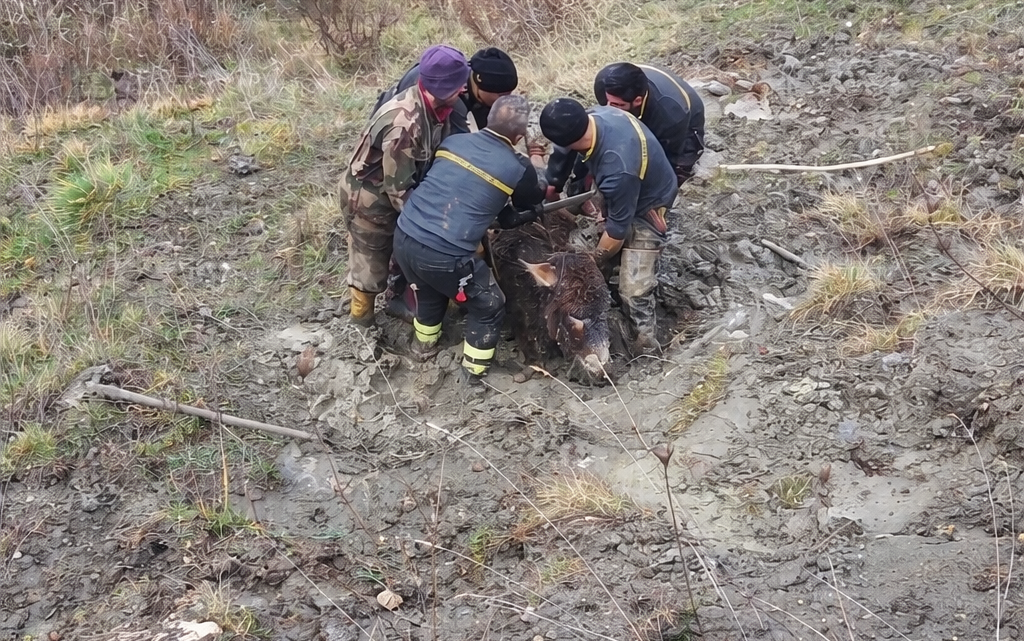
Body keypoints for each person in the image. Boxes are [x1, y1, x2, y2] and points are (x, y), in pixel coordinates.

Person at [393, 95, 545, 385]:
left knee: (427, 290)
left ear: (488, 120)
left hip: (404, 237)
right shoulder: (517, 167)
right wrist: (535, 158)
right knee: (488, 304)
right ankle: (474, 374)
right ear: (518, 135)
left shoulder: (453, 143)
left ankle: (423, 345)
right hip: (445, 256)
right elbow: (532, 197)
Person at [339, 44, 470, 327]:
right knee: (370, 262)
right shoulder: (405, 125)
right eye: (459, 85)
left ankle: (400, 294)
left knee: (403, 247)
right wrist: (431, 228)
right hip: (369, 201)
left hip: (398, 187)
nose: (464, 91)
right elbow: (398, 190)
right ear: (442, 87)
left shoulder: (437, 108)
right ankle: (361, 323)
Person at [540, 98, 677, 352]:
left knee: (634, 291)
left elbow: (617, 231)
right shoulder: (592, 116)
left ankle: (645, 345)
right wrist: (554, 184)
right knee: (580, 244)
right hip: (621, 182)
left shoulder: (618, 167)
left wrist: (594, 260)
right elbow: (563, 151)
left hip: (648, 204)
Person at [594, 62, 705, 187]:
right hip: (650, 94)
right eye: (607, 102)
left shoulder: (672, 115)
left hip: (687, 122)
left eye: (616, 105)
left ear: (637, 101)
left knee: (673, 172)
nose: (609, 109)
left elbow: (665, 159)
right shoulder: (603, 85)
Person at [372, 47, 519, 135]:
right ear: (481, 86)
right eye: (501, 95)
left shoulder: (473, 83)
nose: (506, 100)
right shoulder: (446, 91)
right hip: (397, 134)